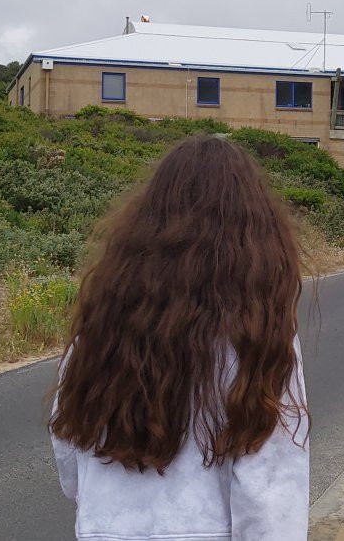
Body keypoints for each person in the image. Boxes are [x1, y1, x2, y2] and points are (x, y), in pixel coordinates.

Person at [50, 135, 310, 540]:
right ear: (255, 238)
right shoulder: (256, 336)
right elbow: (270, 493)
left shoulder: (102, 327)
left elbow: (68, 447)